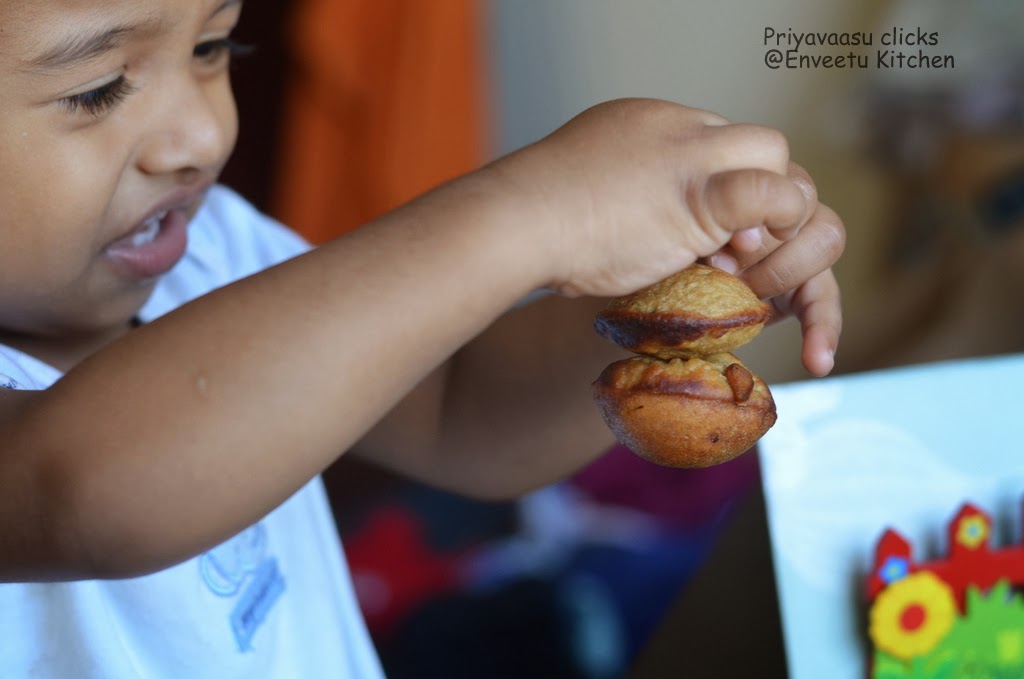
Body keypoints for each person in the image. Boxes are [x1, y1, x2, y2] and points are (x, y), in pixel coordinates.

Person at [0, 0, 844, 676]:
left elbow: (459, 409)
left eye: (214, 47)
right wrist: (538, 211)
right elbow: (79, 491)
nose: (202, 137)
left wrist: (667, 300)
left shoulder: (215, 246)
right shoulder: (66, 471)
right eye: (99, 87)